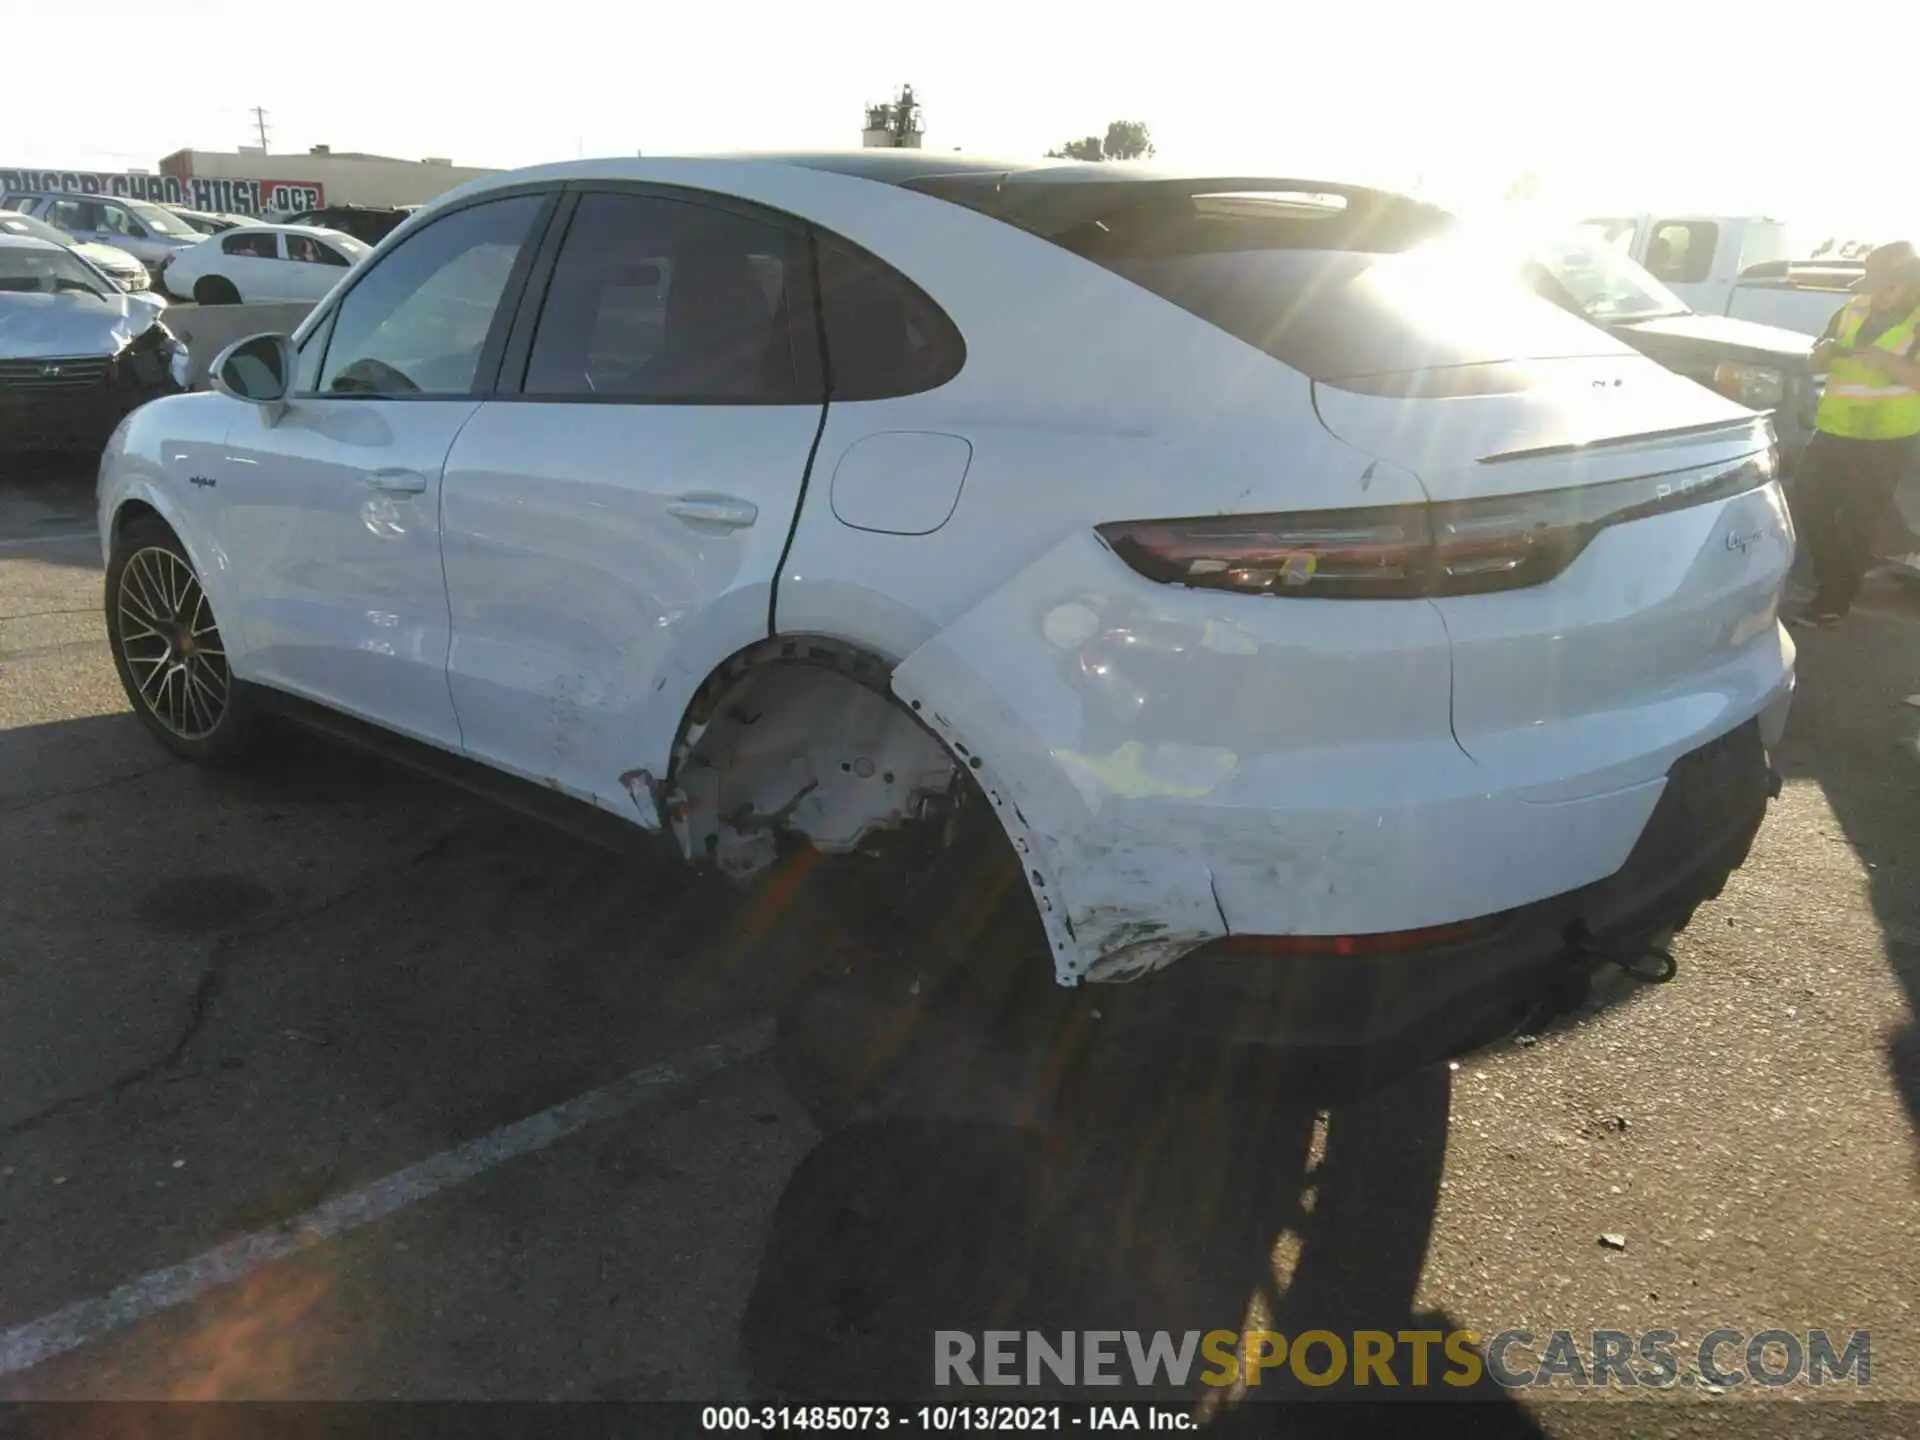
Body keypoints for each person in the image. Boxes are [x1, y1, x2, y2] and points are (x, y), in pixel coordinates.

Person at [1792, 241, 1920, 624]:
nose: (1877, 295)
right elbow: (1814, 357)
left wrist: (1889, 364)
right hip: (1834, 430)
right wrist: (1822, 354)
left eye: (1888, 287)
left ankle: (1833, 601)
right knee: (1808, 504)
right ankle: (1841, 575)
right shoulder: (1852, 308)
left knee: (1856, 520)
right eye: (1873, 284)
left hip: (1887, 440)